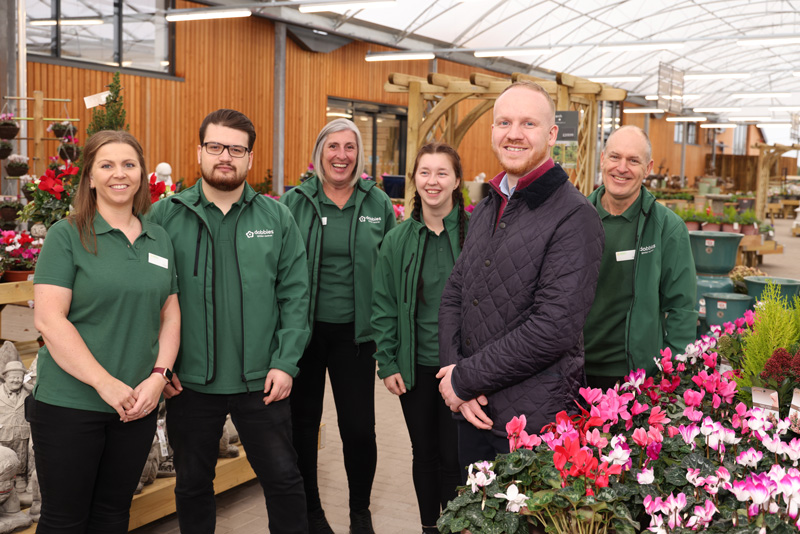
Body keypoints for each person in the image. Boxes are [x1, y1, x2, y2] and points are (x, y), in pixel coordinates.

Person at [148, 109, 311, 534]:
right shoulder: (165, 217)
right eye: (216, 146)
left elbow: (296, 296)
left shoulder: (276, 219)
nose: (226, 157)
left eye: (236, 149)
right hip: (189, 384)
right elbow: (144, 298)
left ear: (249, 158)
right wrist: (158, 366)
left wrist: (285, 363)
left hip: (262, 382)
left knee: (284, 481)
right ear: (199, 151)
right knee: (193, 486)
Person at [436, 81, 605, 468]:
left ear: (551, 135)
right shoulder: (489, 202)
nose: (513, 133)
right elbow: (455, 293)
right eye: (504, 122)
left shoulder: (575, 217)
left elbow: (553, 328)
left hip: (534, 423)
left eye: (528, 123)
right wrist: (452, 375)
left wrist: (464, 379)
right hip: (473, 409)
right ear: (493, 131)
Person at [30, 130, 180, 533]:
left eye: (129, 164)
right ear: (90, 177)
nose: (120, 174)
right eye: (107, 165)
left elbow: (170, 313)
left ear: (142, 175)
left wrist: (157, 376)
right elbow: (48, 319)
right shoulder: (68, 235)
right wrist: (105, 383)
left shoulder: (159, 238)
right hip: (71, 405)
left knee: (114, 516)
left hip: (136, 407)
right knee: (65, 521)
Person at [281, 118, 395, 534]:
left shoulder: (377, 203)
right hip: (304, 334)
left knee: (360, 431)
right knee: (303, 426)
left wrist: (390, 337)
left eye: (349, 147)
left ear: (358, 155)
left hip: (356, 337)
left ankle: (359, 511)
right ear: (319, 153)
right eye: (333, 147)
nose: (341, 155)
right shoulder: (294, 203)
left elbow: (391, 273)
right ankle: (311, 512)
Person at [372, 142, 468, 534]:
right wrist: (388, 361)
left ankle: (456, 524)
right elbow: (383, 304)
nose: (433, 181)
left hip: (464, 368)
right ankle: (431, 526)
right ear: (414, 179)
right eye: (425, 172)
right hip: (415, 365)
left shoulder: (478, 234)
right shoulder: (397, 240)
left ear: (457, 180)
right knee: (424, 452)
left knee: (455, 455)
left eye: (442, 173)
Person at [584, 125, 697, 389]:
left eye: (633, 160)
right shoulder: (574, 219)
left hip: (635, 378)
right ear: (602, 159)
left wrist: (668, 376)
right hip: (571, 371)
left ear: (648, 168)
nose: (621, 168)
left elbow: (682, 309)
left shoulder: (667, 228)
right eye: (615, 157)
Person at [0, 361, 30, 491]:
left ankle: (20, 477)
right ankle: (5, 479)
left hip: (22, 432)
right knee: (5, 458)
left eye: (19, 377)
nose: (16, 380)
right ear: (5, 377)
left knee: (22, 455)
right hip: (3, 433)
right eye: (13, 377)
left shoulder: (28, 392)